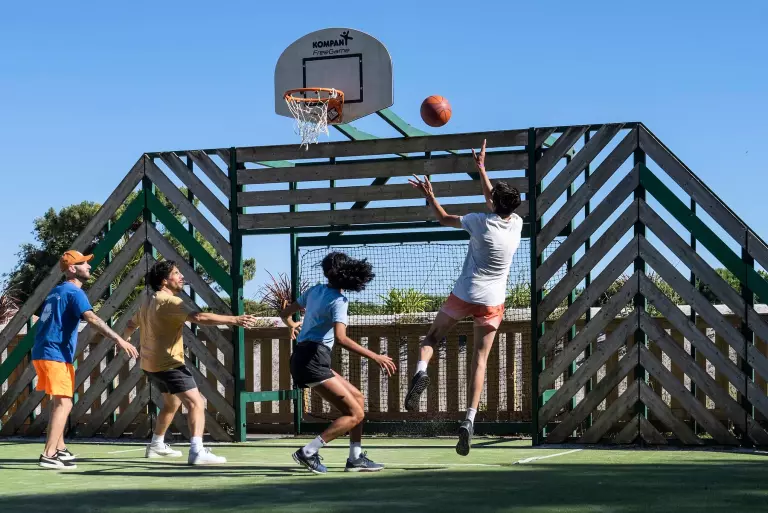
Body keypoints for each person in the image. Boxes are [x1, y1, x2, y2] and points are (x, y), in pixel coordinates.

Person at [406, 140, 523, 456]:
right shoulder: (516, 225)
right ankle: (469, 420)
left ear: (493, 203)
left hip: (465, 292)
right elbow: (492, 198)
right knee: (479, 360)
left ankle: (420, 371)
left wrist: (430, 197)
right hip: (493, 301)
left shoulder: (477, 221)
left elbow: (444, 218)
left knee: (432, 337)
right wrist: (481, 169)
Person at [122, 260, 259, 465]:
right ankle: (197, 451)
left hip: (150, 365)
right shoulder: (170, 302)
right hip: (169, 364)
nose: (181, 277)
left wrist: (124, 341)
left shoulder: (148, 302)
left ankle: (156, 445)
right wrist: (235, 320)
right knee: (196, 403)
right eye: (176, 273)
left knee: (172, 403)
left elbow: (130, 324)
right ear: (164, 281)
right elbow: (200, 317)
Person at [280, 252, 397, 474]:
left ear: (326, 273)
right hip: (313, 360)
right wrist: (376, 356)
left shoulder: (315, 290)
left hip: (304, 357)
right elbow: (341, 338)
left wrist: (292, 324)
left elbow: (285, 312)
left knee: (358, 399)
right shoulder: (339, 301)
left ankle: (355, 458)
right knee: (355, 414)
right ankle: (308, 452)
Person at [33, 250, 140, 469]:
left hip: (45, 352)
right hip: (54, 353)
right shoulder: (75, 292)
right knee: (64, 403)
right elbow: (91, 318)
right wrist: (119, 339)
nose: (89, 266)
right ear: (72, 268)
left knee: (60, 401)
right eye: (84, 263)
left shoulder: (56, 291)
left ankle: (60, 448)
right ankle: (49, 454)